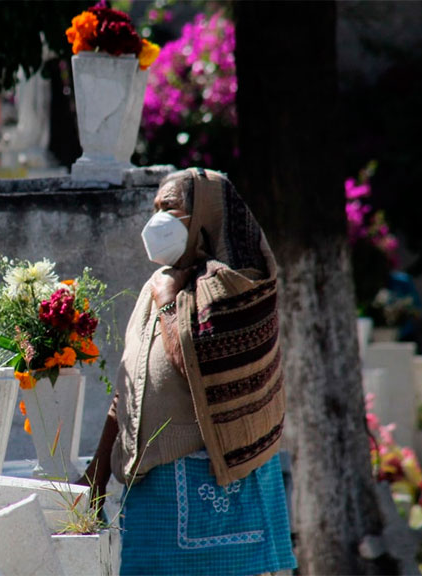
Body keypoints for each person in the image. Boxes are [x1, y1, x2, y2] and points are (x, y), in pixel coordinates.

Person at [82, 168, 297, 575]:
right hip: (154, 490)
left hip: (212, 485)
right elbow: (132, 382)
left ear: (205, 214)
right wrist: (97, 472)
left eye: (170, 208)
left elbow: (200, 368)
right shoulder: (161, 283)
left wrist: (167, 304)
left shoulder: (241, 284)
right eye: (155, 208)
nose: (157, 220)